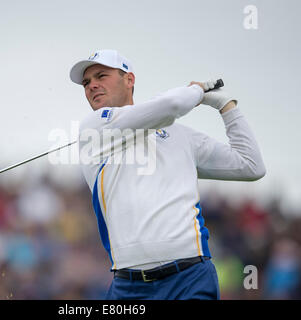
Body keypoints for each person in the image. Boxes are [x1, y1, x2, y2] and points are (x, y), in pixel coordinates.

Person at [69, 49, 266, 300]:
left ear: (129, 79)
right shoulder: (93, 129)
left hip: (190, 278)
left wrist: (224, 105)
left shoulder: (181, 135)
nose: (92, 85)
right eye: (86, 82)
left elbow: (251, 165)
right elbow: (172, 104)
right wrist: (197, 91)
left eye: (101, 76)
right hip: (130, 288)